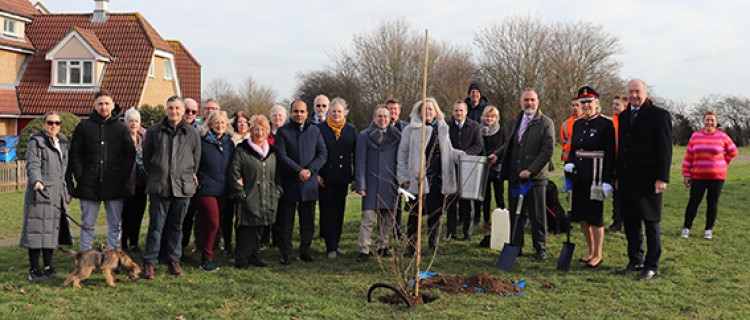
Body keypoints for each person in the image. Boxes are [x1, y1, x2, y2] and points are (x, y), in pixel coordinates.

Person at [615, 79, 672, 281]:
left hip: (649, 180)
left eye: (637, 91)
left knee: (651, 224)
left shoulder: (659, 115)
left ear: (645, 92)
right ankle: (635, 260)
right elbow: (622, 148)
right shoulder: (623, 116)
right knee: (631, 223)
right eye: (630, 92)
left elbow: (665, 150)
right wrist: (618, 177)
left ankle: (652, 265)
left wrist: (662, 178)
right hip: (627, 178)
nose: (633, 95)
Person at [489, 88, 554, 260]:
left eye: (532, 100)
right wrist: (498, 154)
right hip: (515, 176)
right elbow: (510, 144)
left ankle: (540, 248)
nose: (529, 103)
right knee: (515, 213)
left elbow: (547, 151)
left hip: (536, 178)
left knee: (537, 215)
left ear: (538, 102)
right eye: (526, 100)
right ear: (521, 102)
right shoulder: (514, 121)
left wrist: (531, 170)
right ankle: (516, 245)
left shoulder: (545, 123)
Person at [141, 96, 201, 279]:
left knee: (177, 226)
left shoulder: (193, 134)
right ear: (166, 110)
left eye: (177, 108)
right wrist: (159, 174)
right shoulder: (153, 132)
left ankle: (174, 260)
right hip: (160, 187)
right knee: (156, 227)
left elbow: (195, 161)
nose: (173, 112)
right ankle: (150, 262)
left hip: (182, 188)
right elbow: (147, 159)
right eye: (170, 108)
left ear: (183, 110)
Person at [68, 90, 135, 251]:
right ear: (94, 105)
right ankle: (86, 256)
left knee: (115, 224)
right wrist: (80, 176)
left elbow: (130, 154)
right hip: (89, 183)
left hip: (115, 183)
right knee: (87, 224)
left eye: (106, 103)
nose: (103, 107)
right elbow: (75, 154)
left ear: (112, 105)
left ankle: (113, 258)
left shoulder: (121, 128)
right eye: (100, 104)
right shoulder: (83, 126)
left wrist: (122, 175)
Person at [397, 98, 464, 256]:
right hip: (418, 178)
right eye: (424, 109)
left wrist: (460, 155)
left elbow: (448, 150)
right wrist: (403, 177)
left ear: (436, 111)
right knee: (415, 214)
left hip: (439, 178)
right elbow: (402, 154)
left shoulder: (443, 128)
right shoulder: (411, 129)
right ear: (419, 111)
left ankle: (433, 244)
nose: (428, 112)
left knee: (436, 213)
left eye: (430, 109)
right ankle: (412, 247)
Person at [564, 87, 615, 268]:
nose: (586, 105)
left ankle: (598, 254)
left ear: (597, 104)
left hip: (596, 175)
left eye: (589, 102)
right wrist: (569, 163)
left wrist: (608, 180)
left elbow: (610, 154)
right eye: (582, 102)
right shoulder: (577, 124)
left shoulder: (605, 124)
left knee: (595, 216)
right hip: (579, 175)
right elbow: (572, 149)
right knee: (582, 216)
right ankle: (590, 250)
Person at [20, 112, 74, 280]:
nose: (53, 126)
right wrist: (36, 180)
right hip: (40, 192)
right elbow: (33, 164)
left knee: (51, 231)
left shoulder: (63, 143)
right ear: (44, 124)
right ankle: (35, 270)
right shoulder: (36, 142)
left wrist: (68, 190)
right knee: (37, 231)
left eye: (57, 123)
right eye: (50, 122)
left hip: (57, 192)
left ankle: (49, 268)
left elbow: (65, 170)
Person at [274, 100, 327, 265]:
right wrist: (298, 171)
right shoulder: (283, 132)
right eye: (295, 111)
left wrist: (309, 171)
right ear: (291, 113)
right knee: (286, 222)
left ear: (307, 113)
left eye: (302, 111)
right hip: (290, 182)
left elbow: (322, 153)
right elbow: (281, 155)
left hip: (309, 184)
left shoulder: (315, 131)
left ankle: (306, 251)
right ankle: (286, 253)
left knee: (308, 221)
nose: (299, 114)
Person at [229, 115, 282, 269]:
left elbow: (278, 175)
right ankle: (241, 258)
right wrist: (241, 193)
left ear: (267, 132)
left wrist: (278, 190)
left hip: (267, 196)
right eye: (256, 129)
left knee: (260, 228)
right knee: (247, 229)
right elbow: (234, 173)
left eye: (263, 129)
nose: (260, 132)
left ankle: (255, 256)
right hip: (249, 195)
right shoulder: (242, 150)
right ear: (251, 131)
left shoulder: (272, 153)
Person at [355, 105, 402, 262]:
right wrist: (361, 185)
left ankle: (382, 246)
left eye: (385, 116)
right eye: (379, 116)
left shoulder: (397, 136)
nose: (382, 119)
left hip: (389, 183)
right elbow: (360, 161)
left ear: (390, 119)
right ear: (374, 118)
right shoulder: (364, 136)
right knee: (368, 218)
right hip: (371, 182)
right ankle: (364, 249)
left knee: (387, 218)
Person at [681, 111, 737, 239]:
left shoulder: (723, 137)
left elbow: (733, 151)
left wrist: (723, 162)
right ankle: (686, 228)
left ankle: (708, 230)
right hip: (697, 177)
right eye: (707, 120)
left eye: (712, 120)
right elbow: (688, 157)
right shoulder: (695, 136)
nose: (709, 122)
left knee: (712, 203)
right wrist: (686, 174)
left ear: (716, 123)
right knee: (693, 203)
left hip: (717, 178)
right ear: (703, 121)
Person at [193, 111, 235, 272]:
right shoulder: (202, 142)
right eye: (216, 123)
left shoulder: (229, 143)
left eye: (223, 123)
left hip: (223, 189)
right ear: (210, 125)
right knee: (213, 222)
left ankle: (206, 249)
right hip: (205, 189)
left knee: (212, 224)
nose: (220, 126)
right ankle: (206, 259)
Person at [317, 98, 357, 258]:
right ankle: (330, 246)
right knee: (327, 212)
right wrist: (316, 173)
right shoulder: (320, 129)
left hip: (342, 177)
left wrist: (354, 178)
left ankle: (336, 242)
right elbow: (315, 152)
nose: (336, 114)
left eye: (339, 111)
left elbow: (356, 155)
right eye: (333, 111)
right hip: (325, 178)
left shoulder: (351, 130)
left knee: (339, 212)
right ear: (329, 112)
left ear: (344, 112)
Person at [445, 101, 482, 241]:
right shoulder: (447, 127)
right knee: (451, 203)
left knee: (468, 203)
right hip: (451, 167)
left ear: (466, 111)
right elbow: (444, 144)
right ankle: (450, 232)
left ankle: (468, 233)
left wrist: (464, 155)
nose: (458, 113)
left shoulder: (475, 126)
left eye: (461, 111)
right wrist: (454, 155)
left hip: (468, 167)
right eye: (456, 111)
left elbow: (478, 146)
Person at [121, 108, 148, 255]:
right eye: (130, 121)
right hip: (127, 183)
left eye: (136, 121)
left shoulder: (144, 137)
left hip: (142, 184)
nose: (133, 123)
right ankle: (124, 243)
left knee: (138, 214)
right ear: (125, 122)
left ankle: (135, 243)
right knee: (126, 216)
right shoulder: (122, 137)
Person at [480, 106, 506, 234]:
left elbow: (505, 147)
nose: (489, 119)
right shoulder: (479, 131)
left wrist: (497, 157)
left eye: (492, 117)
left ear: (496, 118)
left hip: (498, 167)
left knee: (499, 195)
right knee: (486, 197)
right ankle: (486, 222)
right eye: (487, 116)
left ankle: (502, 220)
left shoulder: (502, 131)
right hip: (484, 167)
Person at [386, 98, 407, 240]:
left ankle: (397, 231)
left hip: (400, 169)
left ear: (399, 111)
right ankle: (385, 231)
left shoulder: (406, 127)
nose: (393, 111)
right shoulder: (380, 125)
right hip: (386, 169)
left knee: (398, 203)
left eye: (395, 109)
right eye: (390, 109)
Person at [607, 95, 628, 233]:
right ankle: (617, 223)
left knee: (629, 197)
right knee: (617, 196)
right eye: (613, 104)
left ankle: (630, 224)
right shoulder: (611, 122)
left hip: (626, 164)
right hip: (614, 164)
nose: (614, 106)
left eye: (617, 104)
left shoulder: (628, 121)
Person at [560, 98, 584, 163]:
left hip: (582, 158)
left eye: (577, 105)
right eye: (573, 105)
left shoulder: (587, 121)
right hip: (568, 159)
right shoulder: (565, 124)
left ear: (582, 106)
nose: (575, 107)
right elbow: (563, 141)